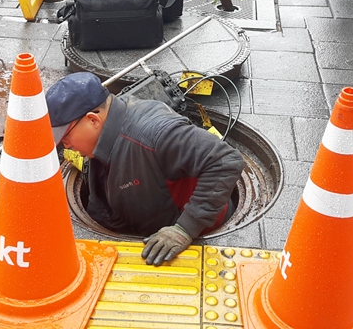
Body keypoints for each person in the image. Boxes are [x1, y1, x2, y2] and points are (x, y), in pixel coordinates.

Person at [45, 71, 244, 266]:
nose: (66, 146)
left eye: (65, 138)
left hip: (198, 241)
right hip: (144, 224)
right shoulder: (106, 132)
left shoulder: (154, 134)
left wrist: (184, 229)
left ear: (93, 120)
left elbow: (226, 160)